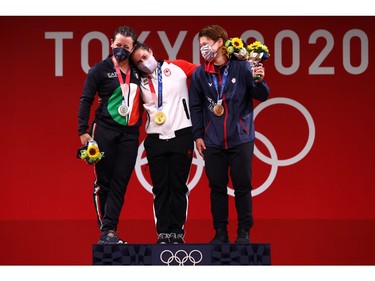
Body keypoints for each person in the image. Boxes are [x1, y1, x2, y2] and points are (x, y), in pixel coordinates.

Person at [189, 25, 270, 244]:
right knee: (216, 188)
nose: (203, 49)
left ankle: (244, 231)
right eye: (201, 46)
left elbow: (262, 95)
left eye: (206, 44)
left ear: (220, 43)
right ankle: (220, 232)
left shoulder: (242, 68)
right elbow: (195, 106)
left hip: (240, 137)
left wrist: (259, 80)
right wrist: (198, 135)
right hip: (212, 140)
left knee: (242, 185)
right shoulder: (199, 74)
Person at [77, 26, 142, 244]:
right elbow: (86, 99)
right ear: (111, 44)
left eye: (126, 47)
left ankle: (110, 230)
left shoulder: (139, 70)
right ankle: (107, 232)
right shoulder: (100, 69)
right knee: (103, 182)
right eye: (118, 45)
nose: (121, 50)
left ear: (133, 48)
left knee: (120, 183)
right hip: (104, 130)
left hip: (130, 134)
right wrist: (82, 131)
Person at [131, 42, 198, 244]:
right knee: (160, 188)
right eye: (139, 62)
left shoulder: (177, 67)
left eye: (144, 56)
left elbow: (206, 74)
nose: (144, 62)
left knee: (178, 186)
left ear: (151, 51)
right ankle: (163, 233)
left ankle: (177, 231)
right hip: (155, 139)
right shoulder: (138, 81)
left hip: (182, 134)